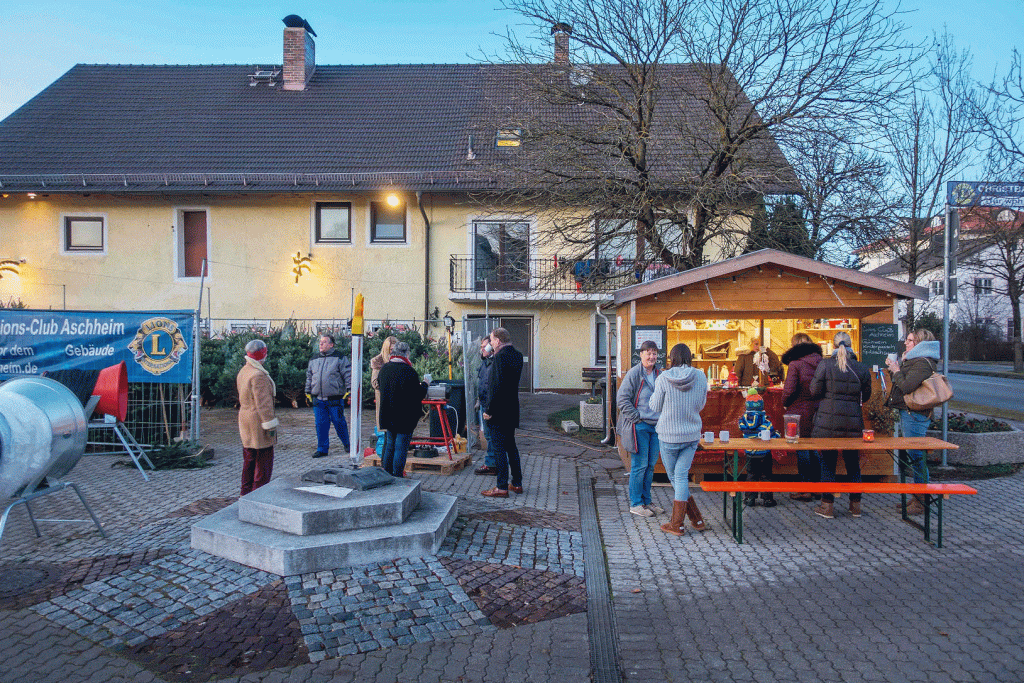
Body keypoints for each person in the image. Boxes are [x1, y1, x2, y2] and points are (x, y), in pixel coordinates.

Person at [809, 330, 871, 519]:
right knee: (853, 464)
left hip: (828, 422)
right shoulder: (861, 368)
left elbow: (814, 391)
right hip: (853, 422)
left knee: (828, 463)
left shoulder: (825, 364)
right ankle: (856, 506)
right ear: (851, 345)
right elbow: (865, 396)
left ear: (834, 345)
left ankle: (827, 506)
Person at [648, 343, 707, 535]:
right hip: (691, 435)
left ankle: (677, 524)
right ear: (689, 357)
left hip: (669, 436)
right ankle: (696, 520)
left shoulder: (664, 377)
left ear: (672, 358)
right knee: (680, 477)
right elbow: (701, 404)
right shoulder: (700, 376)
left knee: (677, 477)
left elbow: (655, 406)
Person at [886, 328, 941, 516]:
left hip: (915, 414)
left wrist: (896, 370)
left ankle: (921, 500)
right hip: (910, 413)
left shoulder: (923, 363)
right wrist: (896, 367)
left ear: (920, 343)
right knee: (915, 457)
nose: (906, 343)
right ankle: (917, 497)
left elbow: (907, 386)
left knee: (917, 458)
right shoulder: (915, 360)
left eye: (910, 341)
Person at [615, 339, 663, 517]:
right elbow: (622, 399)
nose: (651, 356)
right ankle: (635, 503)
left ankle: (646, 501)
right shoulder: (635, 374)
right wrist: (636, 418)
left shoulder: (659, 374)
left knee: (650, 466)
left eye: (654, 353)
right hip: (640, 426)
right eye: (648, 353)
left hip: (656, 426)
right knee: (639, 466)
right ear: (641, 355)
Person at [481, 327, 524, 498]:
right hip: (512, 408)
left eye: (491, 340)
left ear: (498, 340)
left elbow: (495, 387)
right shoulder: (517, 355)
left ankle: (501, 486)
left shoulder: (499, 358)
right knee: (511, 446)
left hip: (498, 410)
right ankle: (517, 483)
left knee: (499, 449)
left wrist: (489, 411)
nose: (490, 343)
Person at [781, 333, 824, 501]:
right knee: (817, 449)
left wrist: (785, 402)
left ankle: (804, 489)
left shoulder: (795, 364)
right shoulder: (823, 362)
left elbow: (789, 391)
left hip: (799, 411)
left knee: (802, 449)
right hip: (820, 410)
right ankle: (818, 488)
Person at [377, 341, 428, 477]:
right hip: (404, 417)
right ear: (406, 353)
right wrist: (425, 384)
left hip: (387, 414)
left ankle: (386, 474)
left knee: (389, 445)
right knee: (400, 447)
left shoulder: (384, 369)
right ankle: (397, 475)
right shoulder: (408, 371)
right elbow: (418, 394)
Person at [236, 339, 279, 495]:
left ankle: (245, 492)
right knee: (263, 462)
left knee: (249, 460)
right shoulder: (258, 375)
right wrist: (270, 426)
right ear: (263, 353)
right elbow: (264, 404)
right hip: (258, 421)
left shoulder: (244, 371)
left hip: (245, 418)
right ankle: (258, 496)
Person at [306, 334, 352, 458]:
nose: (321, 344)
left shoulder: (340, 358)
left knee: (339, 422)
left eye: (324, 342)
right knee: (320, 424)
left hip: (335, 398)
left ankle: (348, 445)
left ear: (331, 344)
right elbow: (309, 376)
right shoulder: (314, 359)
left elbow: (348, 374)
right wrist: (307, 392)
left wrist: (349, 391)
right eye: (320, 342)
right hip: (318, 399)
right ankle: (322, 448)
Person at [738, 387, 780, 507]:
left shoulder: (743, 421)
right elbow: (771, 434)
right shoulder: (765, 421)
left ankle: (750, 498)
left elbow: (742, 430)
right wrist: (777, 434)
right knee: (766, 476)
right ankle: (767, 499)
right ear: (761, 406)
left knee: (751, 475)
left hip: (750, 453)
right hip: (764, 452)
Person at [473, 335, 498, 476]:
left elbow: (491, 386)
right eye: (481, 347)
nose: (481, 349)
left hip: (489, 406)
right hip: (483, 403)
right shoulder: (485, 363)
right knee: (488, 435)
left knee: (491, 435)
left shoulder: (493, 363)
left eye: (484, 346)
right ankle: (492, 462)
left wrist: (489, 407)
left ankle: (491, 464)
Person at [370, 335, 398, 431]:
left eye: (395, 349)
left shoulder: (401, 361)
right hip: (384, 402)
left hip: (398, 402)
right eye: (391, 349)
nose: (393, 352)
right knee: (387, 434)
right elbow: (375, 383)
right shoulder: (378, 362)